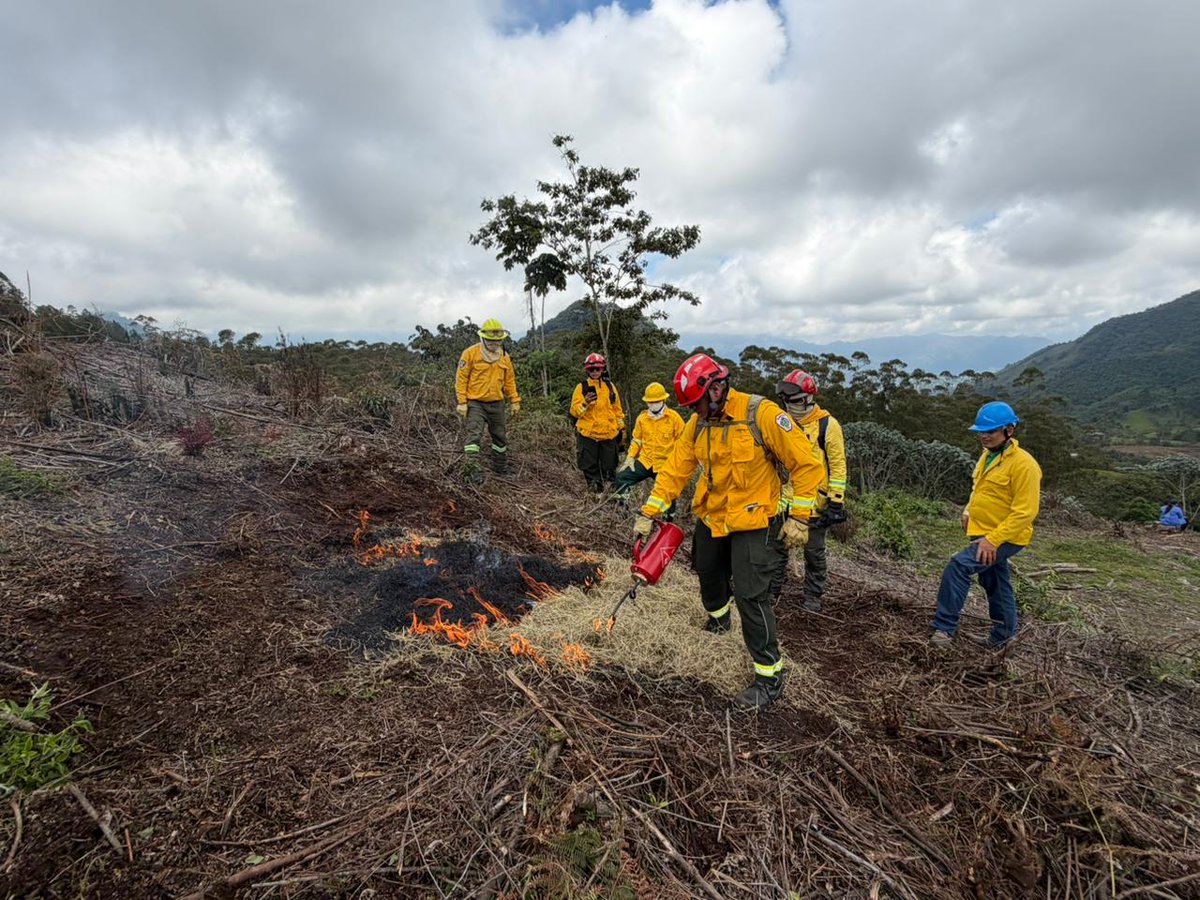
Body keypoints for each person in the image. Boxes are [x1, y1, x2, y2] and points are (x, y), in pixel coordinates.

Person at [634, 353, 824, 711]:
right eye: (690, 406)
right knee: (707, 571)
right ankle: (719, 622)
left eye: (698, 403)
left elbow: (807, 464)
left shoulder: (761, 414)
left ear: (718, 388)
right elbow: (676, 469)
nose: (695, 412)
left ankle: (769, 677)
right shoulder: (698, 424)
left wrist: (800, 516)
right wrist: (650, 511)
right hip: (714, 516)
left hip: (754, 519)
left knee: (751, 594)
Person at [931, 401, 1042, 649]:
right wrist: (968, 510)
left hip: (1005, 537)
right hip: (982, 532)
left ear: (1009, 430)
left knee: (958, 566)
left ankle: (943, 630)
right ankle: (1003, 638)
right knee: (995, 581)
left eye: (991, 431)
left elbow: (1026, 512)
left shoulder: (1025, 465)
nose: (984, 436)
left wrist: (993, 540)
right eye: (981, 431)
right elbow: (979, 489)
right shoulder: (987, 456)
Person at [769, 369, 847, 612]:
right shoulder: (783, 421)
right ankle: (772, 593)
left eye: (792, 400)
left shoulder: (828, 425)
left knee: (814, 554)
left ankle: (813, 596)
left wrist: (835, 502)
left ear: (806, 398)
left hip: (815, 504)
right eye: (785, 401)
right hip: (784, 501)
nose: (788, 405)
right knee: (777, 549)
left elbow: (838, 464)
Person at [455, 318, 520, 483]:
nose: (494, 343)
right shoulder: (470, 353)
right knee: (474, 436)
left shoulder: (504, 356)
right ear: (483, 337)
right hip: (475, 403)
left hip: (497, 404)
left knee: (500, 437)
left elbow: (509, 381)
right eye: (491, 340)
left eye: (497, 340)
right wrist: (462, 402)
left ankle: (499, 468)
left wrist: (514, 400)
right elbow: (461, 379)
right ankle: (472, 471)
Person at [614, 382, 685, 516]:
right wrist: (630, 457)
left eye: (656, 401)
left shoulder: (674, 418)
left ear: (663, 400)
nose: (653, 404)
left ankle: (668, 520)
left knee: (668, 491)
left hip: (665, 464)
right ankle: (621, 510)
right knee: (622, 478)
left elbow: (683, 443)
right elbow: (637, 440)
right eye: (650, 402)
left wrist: (677, 464)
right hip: (645, 461)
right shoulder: (642, 418)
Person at [570, 353, 625, 496]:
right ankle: (595, 493)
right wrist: (585, 402)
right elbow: (575, 412)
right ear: (587, 370)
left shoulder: (610, 386)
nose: (595, 372)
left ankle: (610, 495)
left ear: (603, 369)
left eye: (598, 369)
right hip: (588, 434)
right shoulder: (581, 387)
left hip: (608, 433)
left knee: (609, 466)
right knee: (590, 466)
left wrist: (622, 429)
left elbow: (617, 409)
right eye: (591, 369)